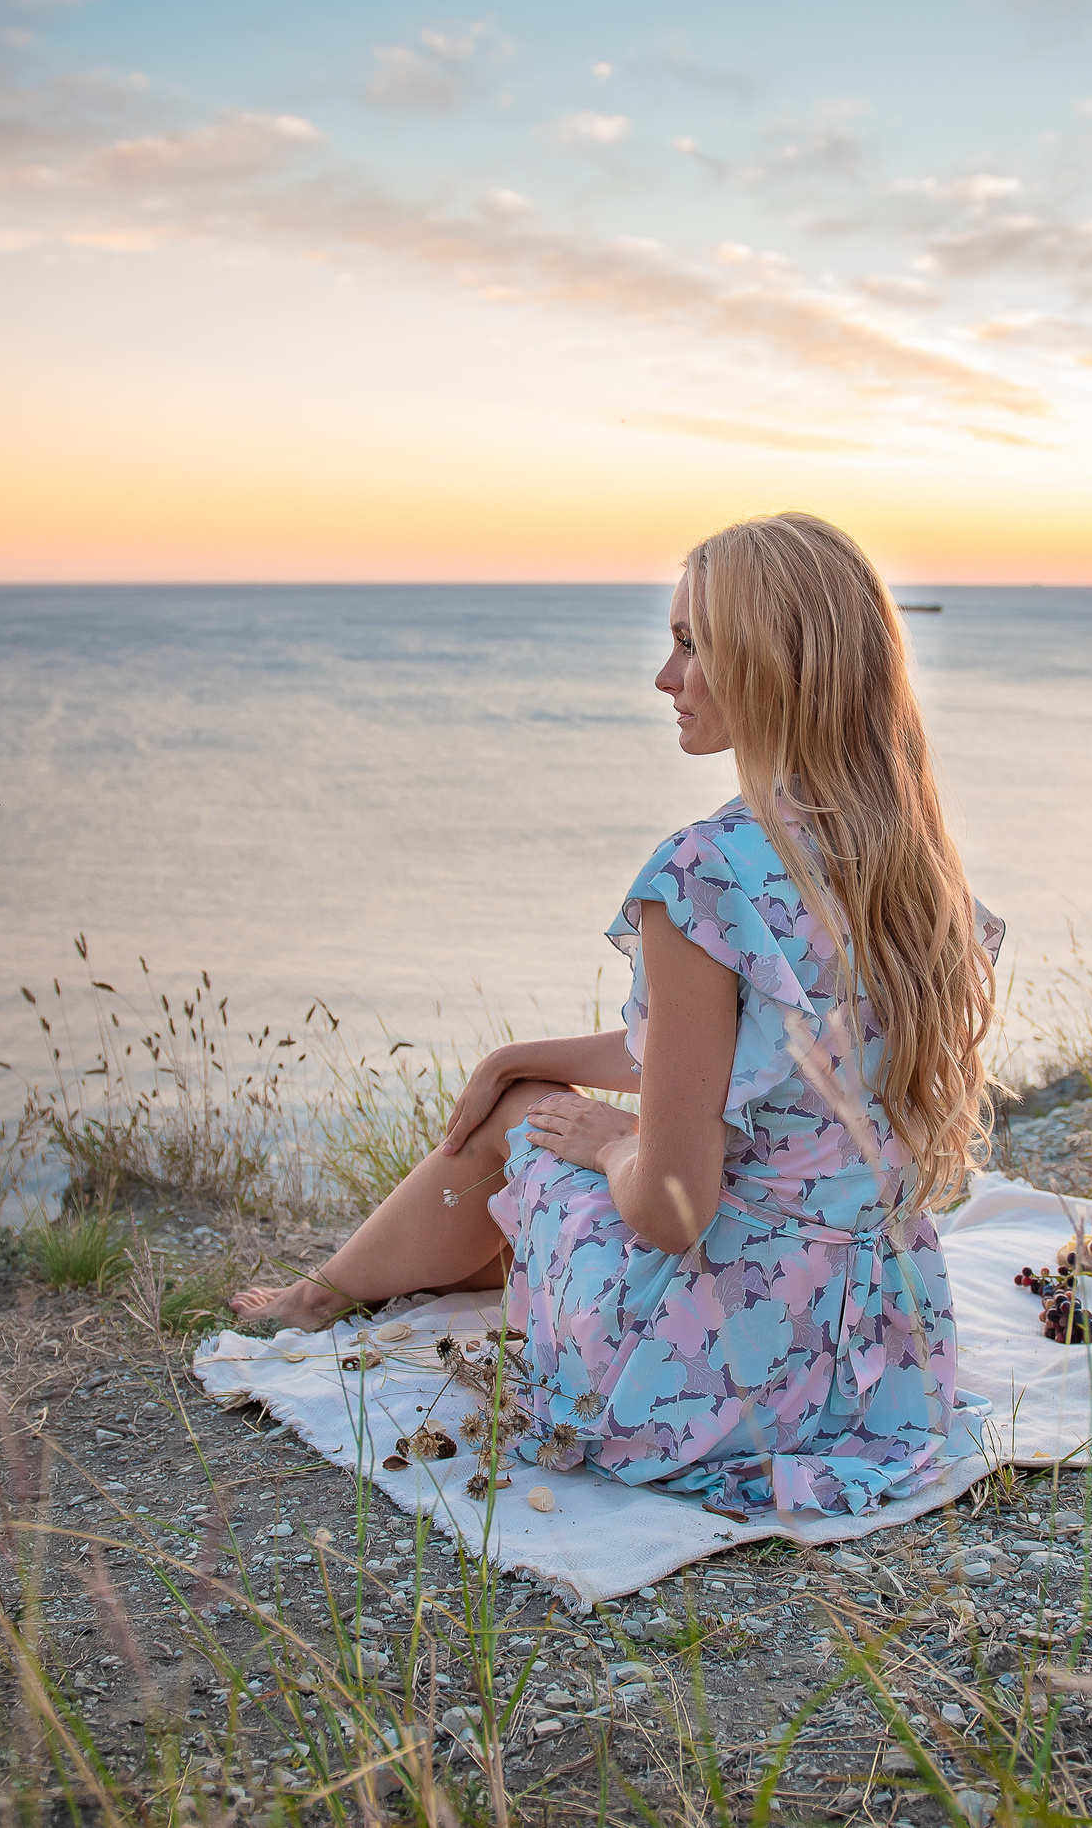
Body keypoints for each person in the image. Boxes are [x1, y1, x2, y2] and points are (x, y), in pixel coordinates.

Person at [232, 511, 1002, 1514]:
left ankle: (320, 1296)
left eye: (692, 643)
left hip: (707, 1382)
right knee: (534, 1098)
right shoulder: (910, 859)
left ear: (771, 665)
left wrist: (607, 1139)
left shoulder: (706, 870)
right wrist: (521, 1051)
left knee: (532, 1124)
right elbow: (753, 1052)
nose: (665, 675)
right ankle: (344, 1282)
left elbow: (674, 1208)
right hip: (875, 1359)